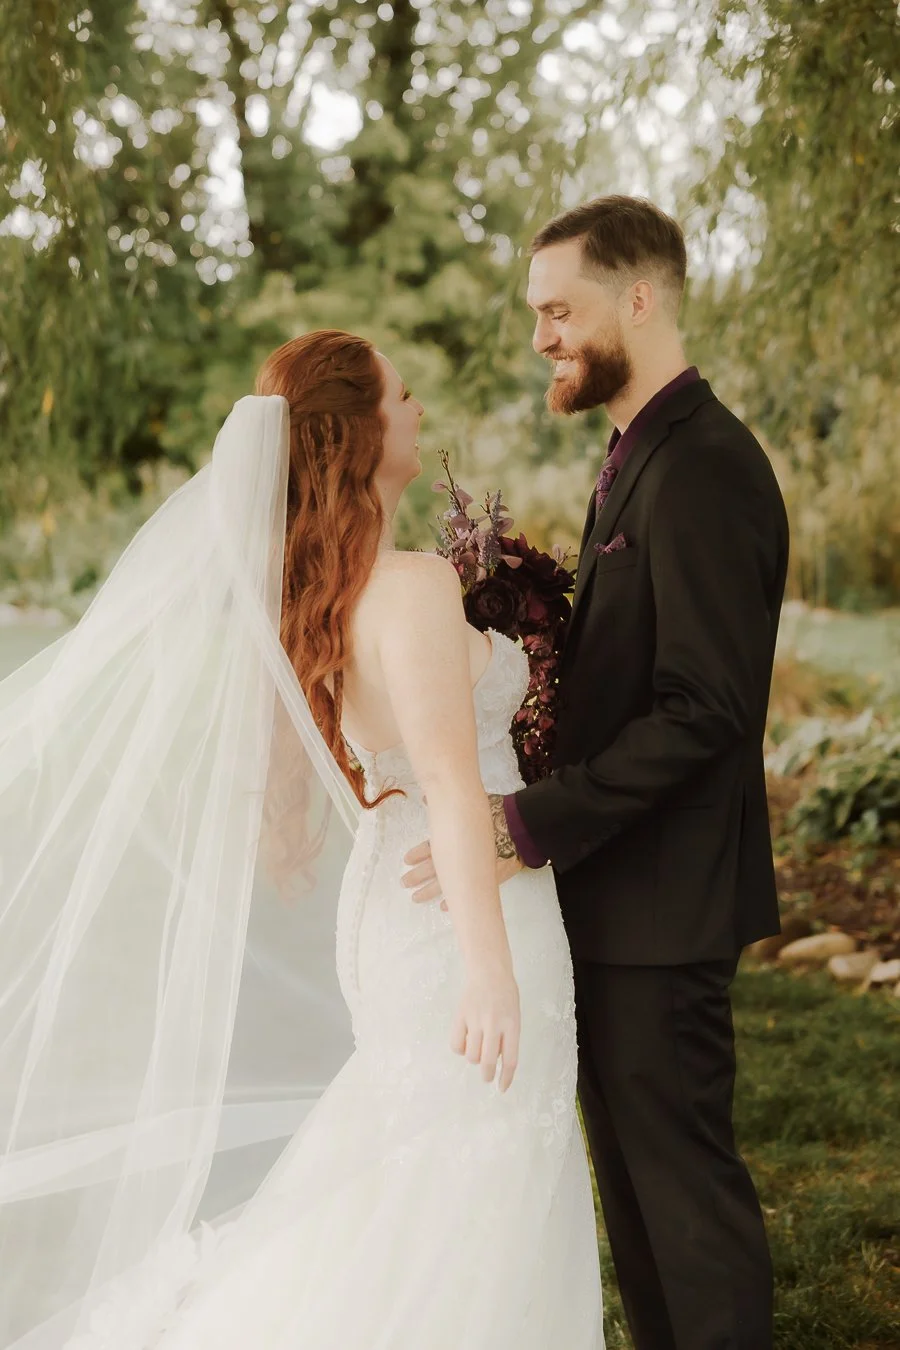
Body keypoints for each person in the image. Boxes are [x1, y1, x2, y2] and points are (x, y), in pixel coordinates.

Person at [0, 331, 602, 1349]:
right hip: (459, 916)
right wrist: (490, 972)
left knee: (428, 1166)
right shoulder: (407, 587)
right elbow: (456, 787)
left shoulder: (325, 595)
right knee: (474, 1167)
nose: (417, 410)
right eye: (402, 396)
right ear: (362, 433)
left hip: (404, 902)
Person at [404, 196, 789, 1350]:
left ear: (639, 297)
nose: (542, 339)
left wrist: (534, 819)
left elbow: (705, 708)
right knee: (638, 1203)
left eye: (558, 310)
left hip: (666, 909)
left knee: (685, 1205)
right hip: (623, 902)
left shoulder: (707, 465)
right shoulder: (637, 452)